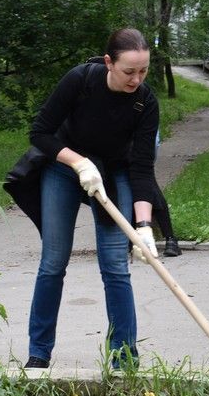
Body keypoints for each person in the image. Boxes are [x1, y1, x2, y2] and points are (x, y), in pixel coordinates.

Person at [23, 28, 160, 370]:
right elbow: (40, 132)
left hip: (116, 175)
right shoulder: (80, 81)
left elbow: (142, 169)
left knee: (115, 265)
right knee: (53, 262)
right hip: (64, 169)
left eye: (143, 71)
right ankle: (38, 354)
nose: (136, 79)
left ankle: (123, 358)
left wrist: (143, 226)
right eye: (129, 71)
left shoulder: (146, 102)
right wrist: (78, 162)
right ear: (108, 62)